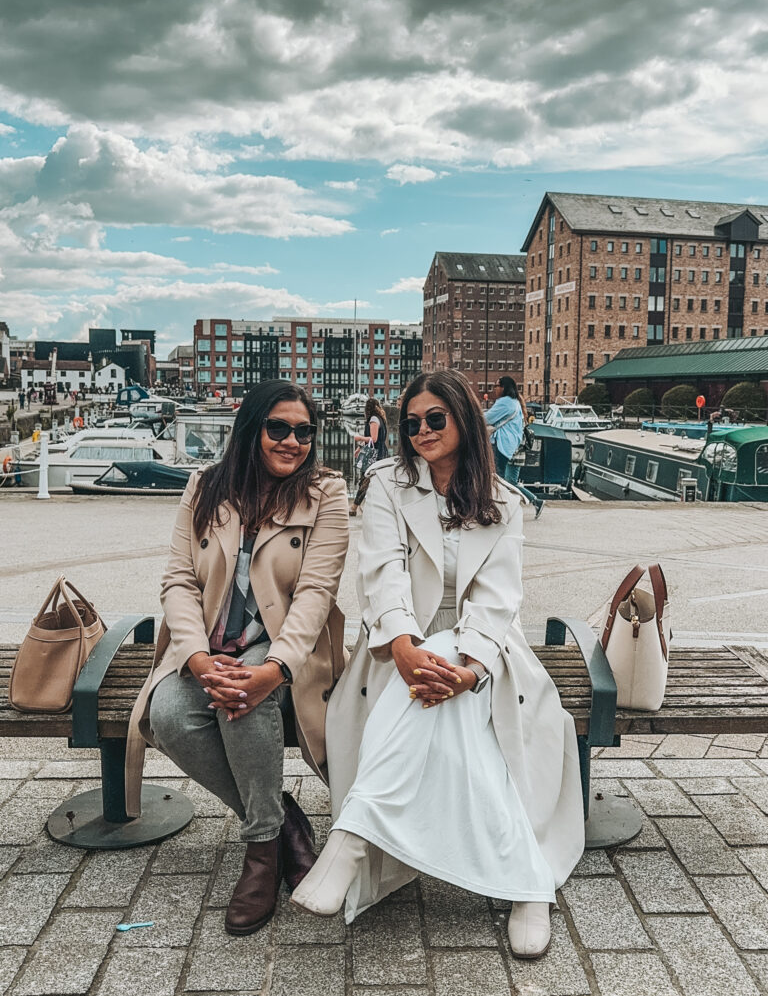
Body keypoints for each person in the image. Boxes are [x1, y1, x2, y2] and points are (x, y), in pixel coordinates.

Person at [292, 370, 584, 960]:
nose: (421, 431)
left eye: (434, 419)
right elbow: (382, 574)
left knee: (451, 675)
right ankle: (528, 883)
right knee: (447, 705)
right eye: (411, 423)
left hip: (486, 649)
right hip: (401, 645)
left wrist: (470, 667)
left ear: (463, 421)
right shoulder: (387, 485)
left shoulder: (502, 503)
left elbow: (498, 599)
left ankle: (353, 836)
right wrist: (403, 647)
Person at [127, 381, 350, 936]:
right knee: (171, 716)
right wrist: (197, 659)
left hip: (280, 642)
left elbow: (316, 595)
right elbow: (178, 581)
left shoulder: (327, 491)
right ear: (251, 431)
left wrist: (272, 671)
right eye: (278, 428)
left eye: (304, 431)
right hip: (204, 641)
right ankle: (281, 823)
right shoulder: (206, 487)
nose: (292, 442)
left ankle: (259, 857)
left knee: (246, 706)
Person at [484, 376, 544, 518]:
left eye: (496, 386)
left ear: (503, 387)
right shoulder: (515, 403)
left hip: (505, 446)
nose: (494, 389)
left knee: (500, 480)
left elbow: (488, 418)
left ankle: (501, 510)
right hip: (513, 448)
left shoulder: (506, 402)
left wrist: (469, 416)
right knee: (506, 481)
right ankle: (534, 502)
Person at [350, 398, 388, 515]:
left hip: (374, 455)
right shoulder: (380, 418)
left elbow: (374, 439)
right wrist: (360, 447)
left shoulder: (373, 419)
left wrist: (359, 438)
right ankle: (360, 506)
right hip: (380, 453)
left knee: (365, 480)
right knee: (373, 481)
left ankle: (354, 507)